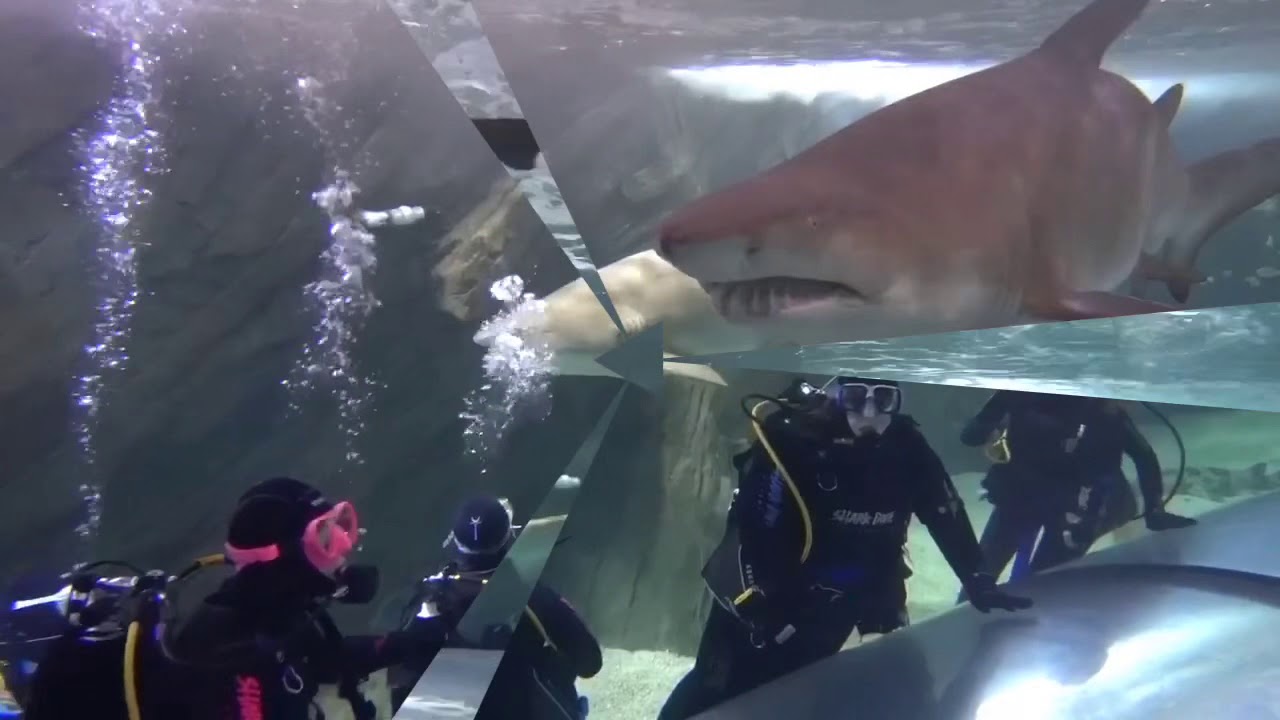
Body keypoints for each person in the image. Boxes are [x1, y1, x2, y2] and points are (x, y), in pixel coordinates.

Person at [659, 376, 1032, 720]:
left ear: (897, 401)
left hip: (851, 595)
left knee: (862, 690)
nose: (869, 412)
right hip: (768, 599)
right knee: (718, 685)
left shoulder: (907, 446)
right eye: (855, 398)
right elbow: (755, 530)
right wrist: (769, 611)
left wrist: (977, 575)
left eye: (883, 399)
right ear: (837, 395)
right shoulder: (796, 441)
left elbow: (943, 510)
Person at [21, 476, 460, 720]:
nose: (345, 549)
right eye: (325, 539)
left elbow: (324, 659)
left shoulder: (277, 613)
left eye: (340, 529)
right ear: (281, 558)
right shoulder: (231, 657)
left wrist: (404, 643)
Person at [396, 495, 602, 719]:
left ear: (454, 541)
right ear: (510, 536)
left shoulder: (428, 601)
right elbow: (590, 663)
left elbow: (402, 684)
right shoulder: (534, 598)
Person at [960, 391, 1197, 579]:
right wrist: (1154, 511)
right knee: (1039, 585)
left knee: (992, 579)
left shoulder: (1024, 397)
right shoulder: (1103, 411)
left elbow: (971, 436)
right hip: (1056, 502)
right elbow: (1143, 455)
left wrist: (993, 411)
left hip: (1042, 499)